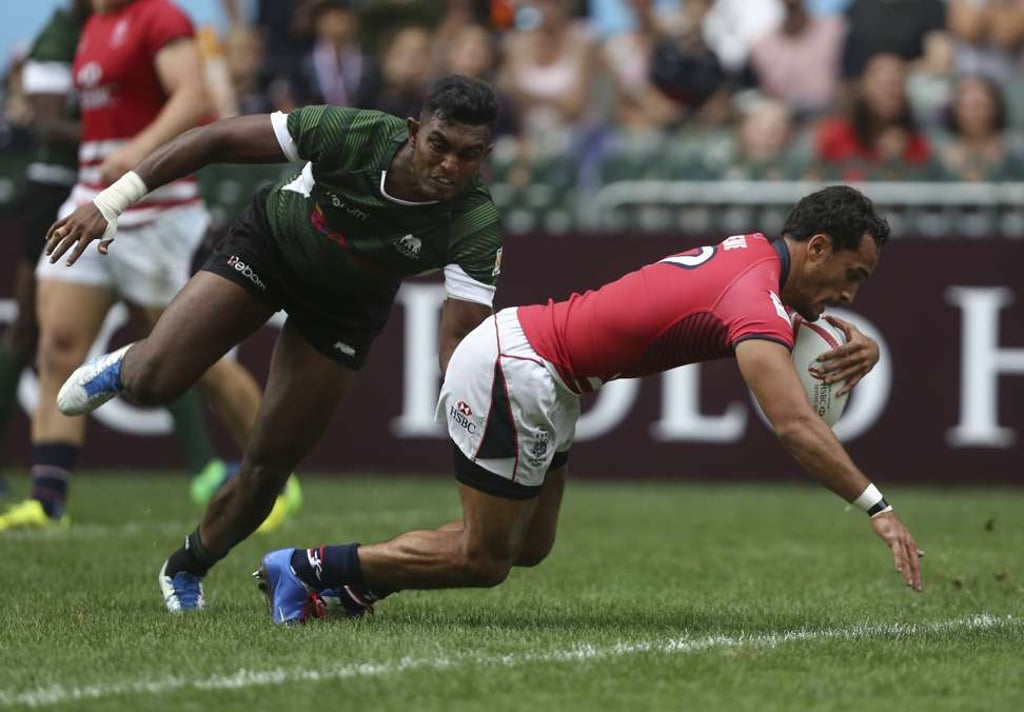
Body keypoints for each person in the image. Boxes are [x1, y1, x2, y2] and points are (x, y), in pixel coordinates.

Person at [252, 185, 923, 625]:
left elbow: (799, 323)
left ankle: (355, 585)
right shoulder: (754, 294)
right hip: (518, 368)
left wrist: (867, 348)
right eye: (853, 277)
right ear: (816, 249)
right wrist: (877, 507)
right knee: (484, 560)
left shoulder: (758, 262)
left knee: (531, 547)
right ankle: (308, 568)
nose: (853, 295)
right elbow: (794, 424)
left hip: (547, 372)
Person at [44, 74, 505, 613]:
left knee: (267, 471)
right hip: (272, 249)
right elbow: (214, 139)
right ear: (412, 131)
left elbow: (458, 345)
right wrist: (112, 201)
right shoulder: (352, 133)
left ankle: (186, 566)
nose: (450, 166)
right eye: (439, 146)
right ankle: (129, 364)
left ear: (486, 153)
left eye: (469, 155)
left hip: (346, 307)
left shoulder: (475, 221)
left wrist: (469, 416)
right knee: (153, 384)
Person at [0, 0, 277, 532]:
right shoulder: (93, 24)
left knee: (197, 358)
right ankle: (48, 501)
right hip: (87, 199)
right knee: (57, 344)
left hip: (155, 213)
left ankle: (273, 477)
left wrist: (140, 150)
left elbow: (192, 97)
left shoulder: (161, 17)